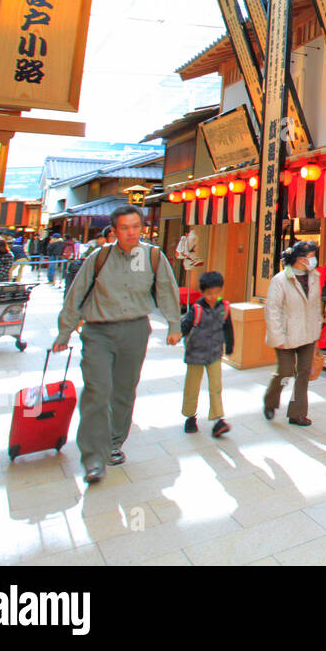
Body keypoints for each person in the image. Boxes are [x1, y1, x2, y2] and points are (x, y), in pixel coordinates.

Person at [54, 205, 180, 485]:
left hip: (135, 330)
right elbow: (76, 295)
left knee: (124, 391)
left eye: (136, 226)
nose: (131, 233)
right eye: (125, 228)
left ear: (142, 228)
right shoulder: (99, 258)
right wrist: (64, 332)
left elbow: (166, 290)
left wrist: (174, 325)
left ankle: (113, 444)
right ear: (114, 231)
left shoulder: (153, 256)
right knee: (97, 390)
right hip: (98, 331)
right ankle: (93, 458)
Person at [262, 241, 322, 426]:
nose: (313, 260)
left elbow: (316, 305)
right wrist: (277, 336)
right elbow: (272, 310)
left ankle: (297, 413)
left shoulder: (314, 277)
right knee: (285, 372)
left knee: (303, 373)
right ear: (299, 258)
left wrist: (317, 329)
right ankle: (271, 400)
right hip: (287, 334)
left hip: (308, 332)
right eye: (310, 256)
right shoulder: (281, 280)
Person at [171, 270, 233, 438]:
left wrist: (230, 347)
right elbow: (186, 326)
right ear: (203, 292)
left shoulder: (224, 306)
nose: (213, 296)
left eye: (216, 292)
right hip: (195, 353)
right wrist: (177, 335)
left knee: (216, 386)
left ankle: (218, 420)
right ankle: (190, 416)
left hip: (214, 353)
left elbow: (228, 327)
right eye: (209, 293)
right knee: (192, 386)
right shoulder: (197, 308)